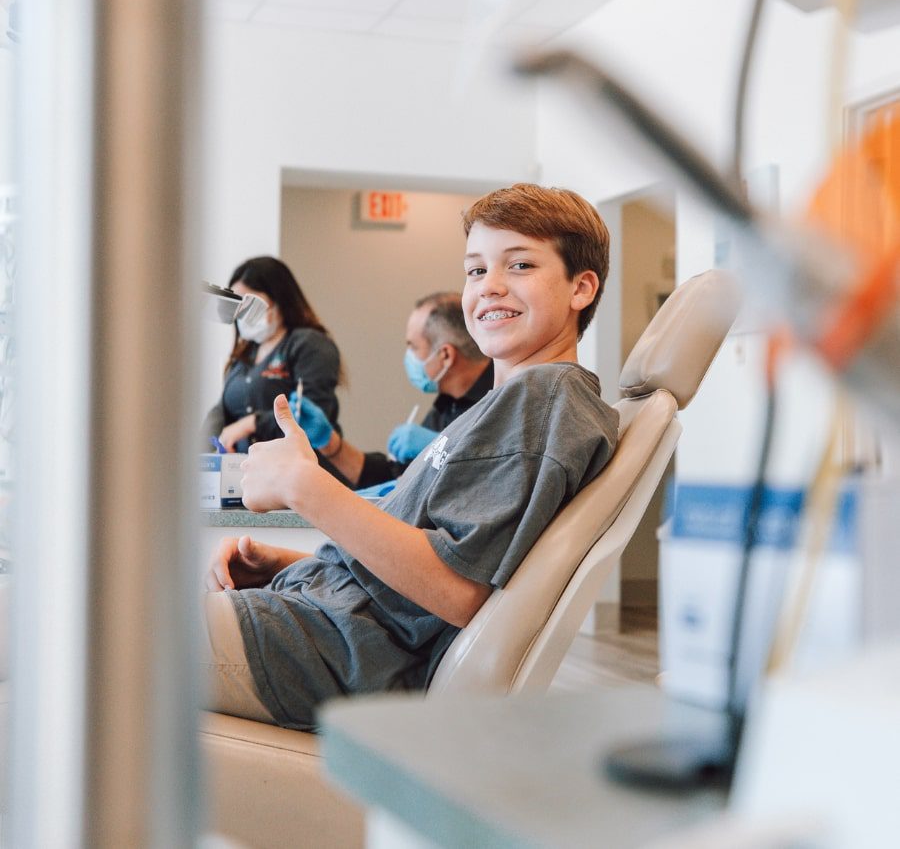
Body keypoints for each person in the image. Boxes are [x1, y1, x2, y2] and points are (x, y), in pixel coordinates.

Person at [202, 183, 620, 731]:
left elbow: (457, 592)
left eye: (519, 265)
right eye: (475, 270)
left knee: (89, 634)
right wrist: (289, 562)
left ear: (580, 288)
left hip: (332, 653)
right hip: (317, 624)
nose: (490, 286)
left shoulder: (543, 400)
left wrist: (304, 486)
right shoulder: (503, 407)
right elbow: (417, 574)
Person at [289, 292, 493, 490]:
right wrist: (329, 442)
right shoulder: (447, 405)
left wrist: (441, 447)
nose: (408, 356)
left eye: (413, 346)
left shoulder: (500, 400)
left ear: (446, 355)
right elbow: (396, 478)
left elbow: (493, 481)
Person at [201, 256, 343, 456]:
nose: (243, 314)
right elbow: (222, 411)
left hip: (300, 470)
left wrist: (251, 424)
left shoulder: (309, 345)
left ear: (279, 300)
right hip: (248, 474)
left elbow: (309, 414)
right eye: (238, 307)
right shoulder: (245, 354)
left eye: (250, 303)